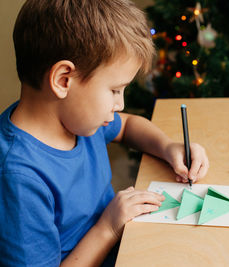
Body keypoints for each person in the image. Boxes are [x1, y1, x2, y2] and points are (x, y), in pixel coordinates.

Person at [0, 0, 209, 266]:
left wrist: (168, 147)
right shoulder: (19, 177)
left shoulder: (75, 119)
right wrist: (108, 228)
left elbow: (129, 125)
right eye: (114, 90)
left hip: (124, 242)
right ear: (64, 80)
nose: (119, 104)